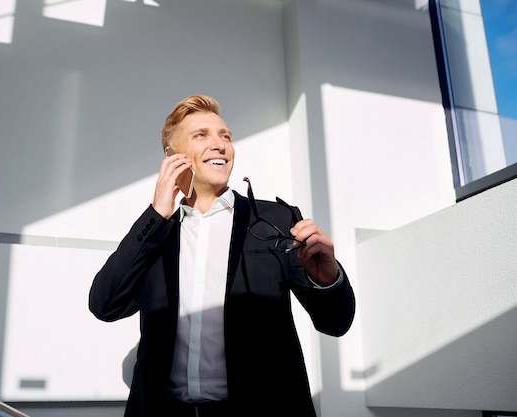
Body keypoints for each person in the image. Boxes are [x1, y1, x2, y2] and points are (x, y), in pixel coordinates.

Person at [89, 95, 355, 417]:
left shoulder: (275, 221)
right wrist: (157, 213)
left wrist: (327, 279)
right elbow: (105, 305)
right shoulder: (156, 235)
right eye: (201, 135)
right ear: (173, 155)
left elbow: (335, 323)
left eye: (225, 136)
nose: (219, 145)